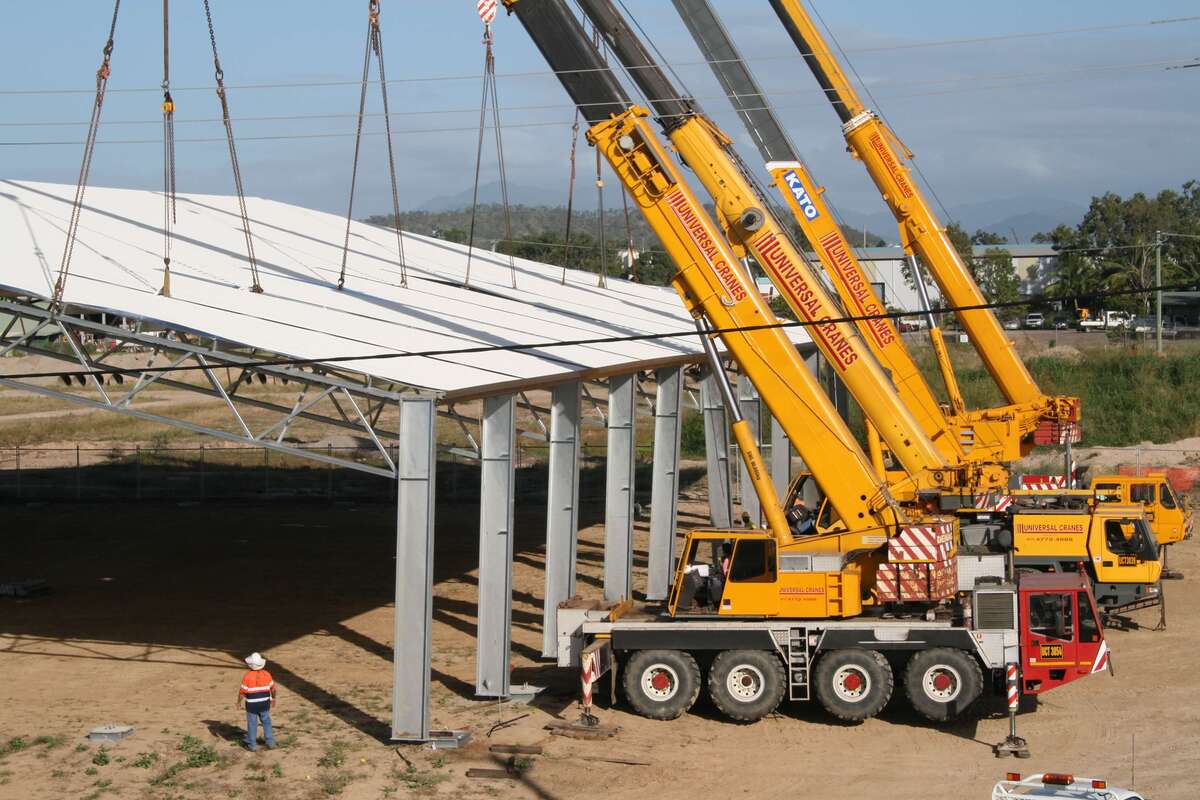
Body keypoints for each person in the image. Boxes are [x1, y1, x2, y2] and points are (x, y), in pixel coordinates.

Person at [237, 652, 276, 751]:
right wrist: (273, 699)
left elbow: (242, 692)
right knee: (266, 721)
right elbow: (273, 689)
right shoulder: (267, 674)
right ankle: (270, 742)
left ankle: (252, 744)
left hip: (251, 705)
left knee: (252, 723)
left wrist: (238, 702)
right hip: (264, 703)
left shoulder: (247, 676)